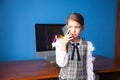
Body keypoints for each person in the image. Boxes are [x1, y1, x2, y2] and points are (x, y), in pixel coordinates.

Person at [53, 12, 95, 80]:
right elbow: (61, 64)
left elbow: (89, 66)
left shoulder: (88, 45)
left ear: (82, 28)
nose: (73, 30)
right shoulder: (61, 43)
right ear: (67, 27)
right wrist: (64, 44)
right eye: (70, 27)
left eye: (77, 27)